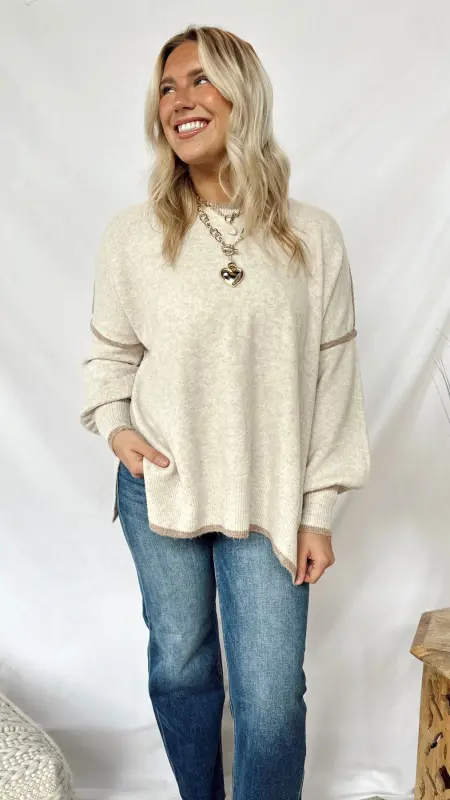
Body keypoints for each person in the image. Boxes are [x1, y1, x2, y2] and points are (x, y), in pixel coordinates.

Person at [80, 24, 370, 800]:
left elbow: (334, 378)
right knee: (181, 670)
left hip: (270, 493)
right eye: (167, 88)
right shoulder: (132, 236)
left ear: (245, 93)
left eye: (200, 80)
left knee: (271, 699)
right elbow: (110, 356)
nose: (180, 100)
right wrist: (118, 427)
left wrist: (319, 511)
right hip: (160, 485)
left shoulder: (312, 237)